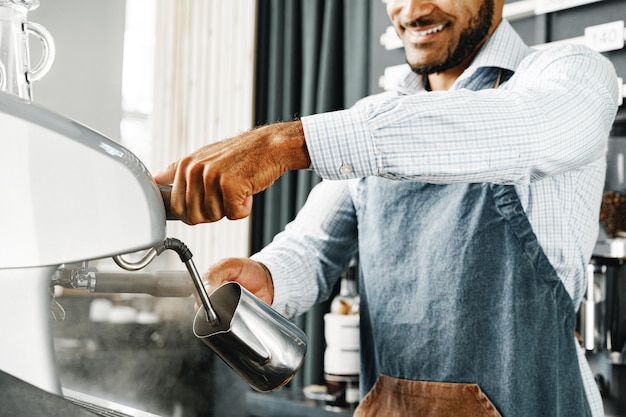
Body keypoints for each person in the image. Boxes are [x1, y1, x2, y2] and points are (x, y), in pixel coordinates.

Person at [154, 0, 619, 415]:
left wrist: (281, 142)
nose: (412, 8)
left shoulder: (569, 72)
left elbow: (522, 129)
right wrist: (269, 276)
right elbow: (311, 248)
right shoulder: (375, 114)